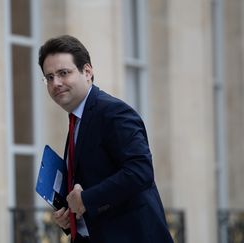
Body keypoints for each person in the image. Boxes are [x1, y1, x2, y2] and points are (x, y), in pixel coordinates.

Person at [38, 35, 173, 243]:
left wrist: (86, 200)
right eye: (49, 77)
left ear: (87, 72)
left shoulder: (113, 112)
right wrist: (70, 215)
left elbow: (140, 171)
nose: (56, 83)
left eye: (63, 73)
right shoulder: (76, 120)